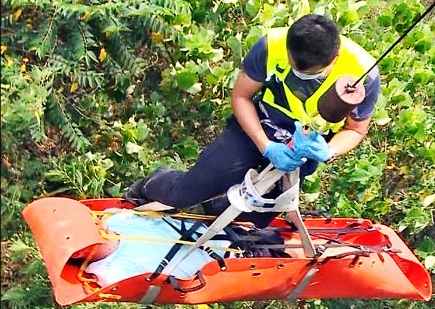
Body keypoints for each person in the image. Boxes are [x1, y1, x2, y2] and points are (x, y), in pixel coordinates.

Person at [125, 14, 381, 227]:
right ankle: (148, 187)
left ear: (334, 58)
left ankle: (210, 224)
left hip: (305, 147)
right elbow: (241, 97)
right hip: (261, 124)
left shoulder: (362, 72)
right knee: (187, 191)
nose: (299, 75)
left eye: (309, 73)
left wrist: (329, 150)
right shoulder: (273, 45)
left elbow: (356, 130)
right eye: (294, 67)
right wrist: (265, 146)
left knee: (245, 218)